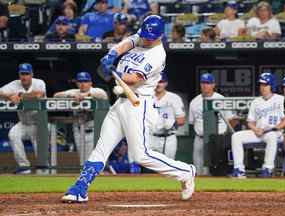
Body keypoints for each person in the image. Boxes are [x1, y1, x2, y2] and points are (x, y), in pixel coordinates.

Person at [61, 15, 196, 203]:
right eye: (145, 35)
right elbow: (127, 42)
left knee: (141, 155)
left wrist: (113, 71)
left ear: (160, 36)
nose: (147, 39)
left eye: (151, 37)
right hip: (121, 103)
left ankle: (185, 171)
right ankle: (80, 188)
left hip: (138, 105)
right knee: (102, 147)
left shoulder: (157, 54)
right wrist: (112, 54)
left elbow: (133, 79)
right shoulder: (143, 35)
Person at [231, 73, 285, 178]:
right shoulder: (256, 102)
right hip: (259, 132)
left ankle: (267, 168)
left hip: (274, 132)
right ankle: (239, 169)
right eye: (261, 85)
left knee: (272, 136)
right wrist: (256, 129)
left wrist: (273, 128)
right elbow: (250, 122)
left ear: (272, 86)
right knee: (236, 136)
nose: (262, 87)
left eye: (265, 85)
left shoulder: (280, 100)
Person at [0, 63, 46, 174]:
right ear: (19, 75)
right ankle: (24, 167)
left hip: (38, 123)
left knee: (40, 154)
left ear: (31, 74)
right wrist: (9, 96)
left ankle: (43, 169)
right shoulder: (15, 84)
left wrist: (20, 95)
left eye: (27, 74)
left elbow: (39, 94)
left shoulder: (39, 82)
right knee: (13, 134)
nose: (24, 76)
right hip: (23, 123)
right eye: (22, 74)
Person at [54, 72, 108, 165]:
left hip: (94, 131)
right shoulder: (74, 92)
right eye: (80, 81)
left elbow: (102, 94)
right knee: (83, 162)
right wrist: (70, 96)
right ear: (77, 83)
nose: (83, 84)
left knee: (92, 161)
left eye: (86, 81)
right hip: (78, 131)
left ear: (90, 83)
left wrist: (85, 96)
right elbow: (56, 95)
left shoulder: (97, 90)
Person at [189, 73, 234, 175]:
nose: (205, 85)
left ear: (213, 85)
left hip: (217, 139)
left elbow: (231, 120)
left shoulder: (222, 99)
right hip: (200, 138)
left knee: (215, 171)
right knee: (199, 170)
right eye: (203, 83)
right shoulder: (194, 102)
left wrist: (224, 134)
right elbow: (192, 123)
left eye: (208, 83)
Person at [150, 72, 185, 159]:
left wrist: (172, 126)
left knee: (168, 166)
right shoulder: (147, 97)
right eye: (157, 81)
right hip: (150, 137)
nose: (158, 84)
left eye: (161, 82)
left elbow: (181, 120)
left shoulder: (174, 98)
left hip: (168, 138)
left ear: (166, 83)